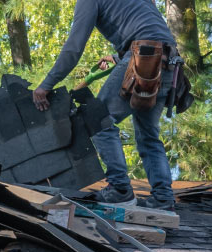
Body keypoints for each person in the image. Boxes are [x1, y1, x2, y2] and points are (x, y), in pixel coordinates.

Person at [32, 0, 177, 210]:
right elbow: (149, 29)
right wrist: (119, 56)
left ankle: (119, 189)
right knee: (148, 135)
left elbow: (74, 47)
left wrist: (46, 85)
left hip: (143, 57)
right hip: (169, 62)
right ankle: (163, 198)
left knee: (98, 119)